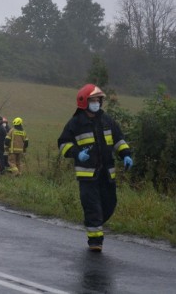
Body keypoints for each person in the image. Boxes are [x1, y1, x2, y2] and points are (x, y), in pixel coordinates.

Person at [57, 84, 133, 252]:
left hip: (107, 174)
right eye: (93, 100)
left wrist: (126, 154)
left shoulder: (107, 121)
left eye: (98, 100)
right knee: (92, 207)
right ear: (84, 101)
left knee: (109, 204)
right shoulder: (76, 123)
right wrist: (77, 153)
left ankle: (95, 223)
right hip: (87, 175)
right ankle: (95, 242)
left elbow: (118, 140)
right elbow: (63, 144)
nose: (97, 103)